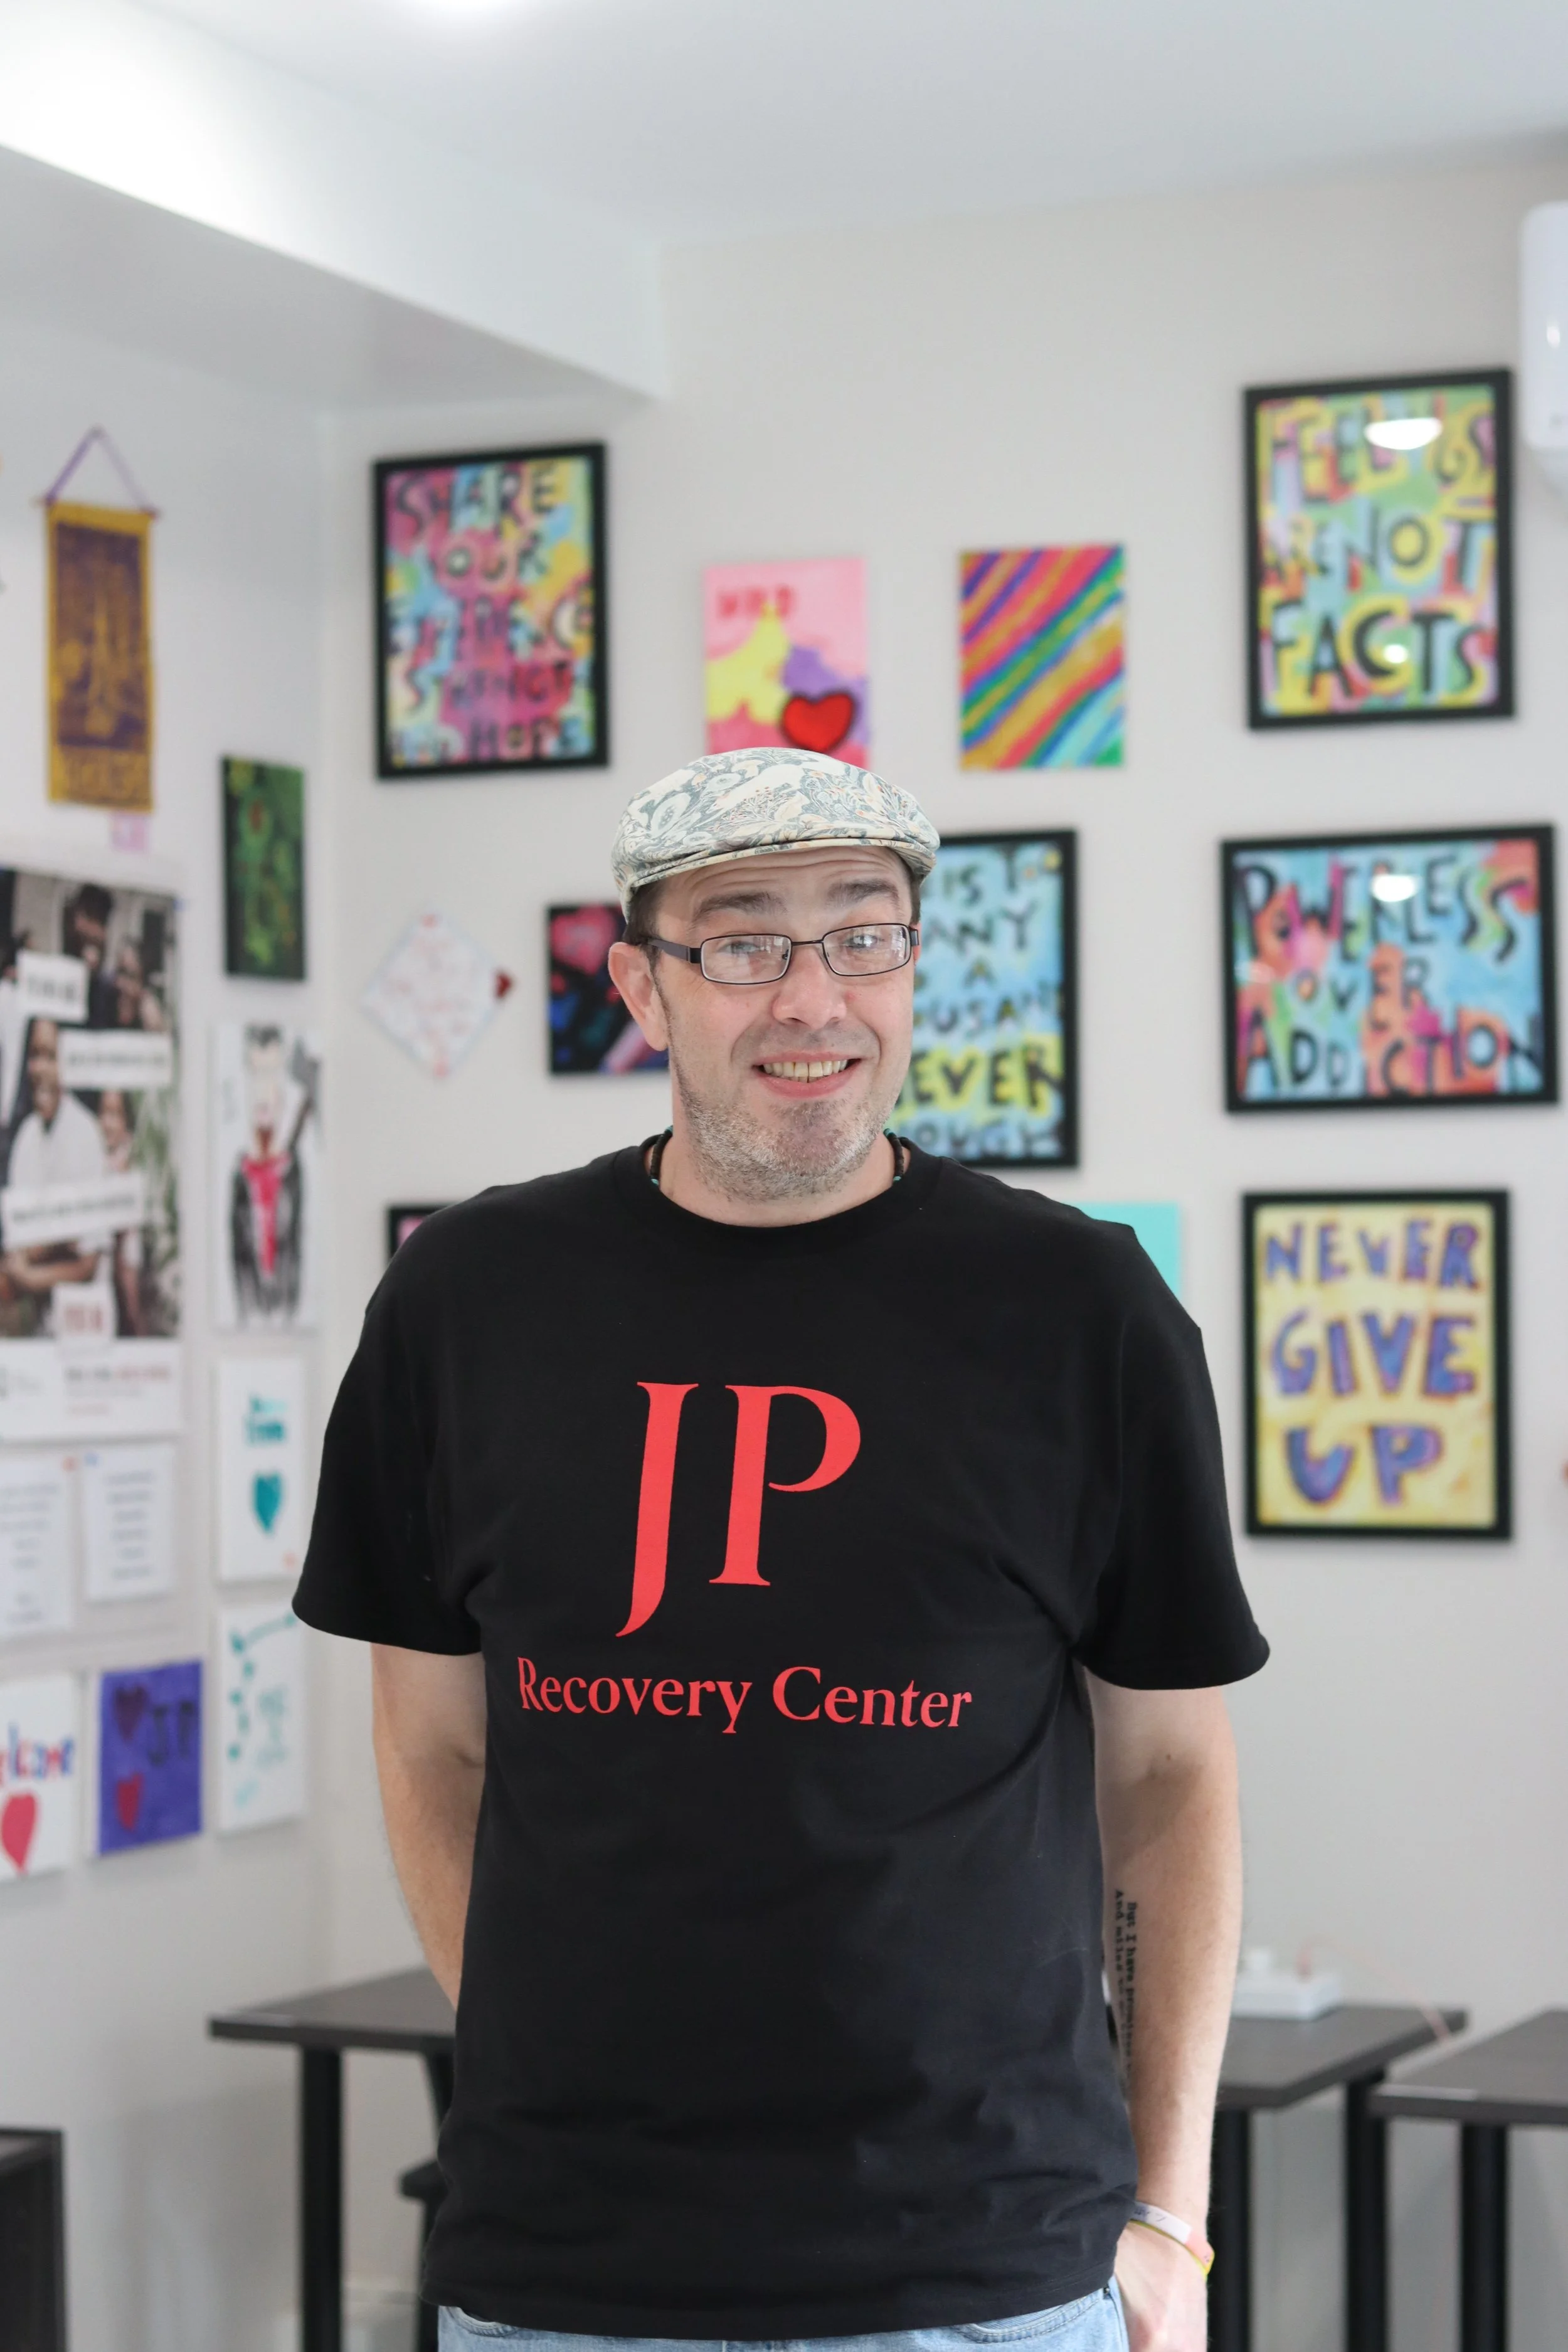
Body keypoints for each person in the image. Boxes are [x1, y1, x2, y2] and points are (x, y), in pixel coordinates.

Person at [295, 747, 1268, 2352]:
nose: (813, 998)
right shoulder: (465, 1305)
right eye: (743, 940)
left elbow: (1168, 1776)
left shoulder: (1082, 1315)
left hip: (987, 2275)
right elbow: (431, 1743)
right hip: (564, 2279)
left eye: (863, 934)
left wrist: (1170, 2214)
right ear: (641, 986)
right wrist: (553, 2050)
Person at [0, 1015, 109, 1327]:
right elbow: (18, 1250)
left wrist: (30, 1276)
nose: (40, 1068)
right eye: (35, 1055)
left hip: (84, 1322)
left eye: (51, 1056)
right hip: (38, 1323)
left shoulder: (86, 1133)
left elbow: (87, 1263)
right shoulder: (26, 1136)